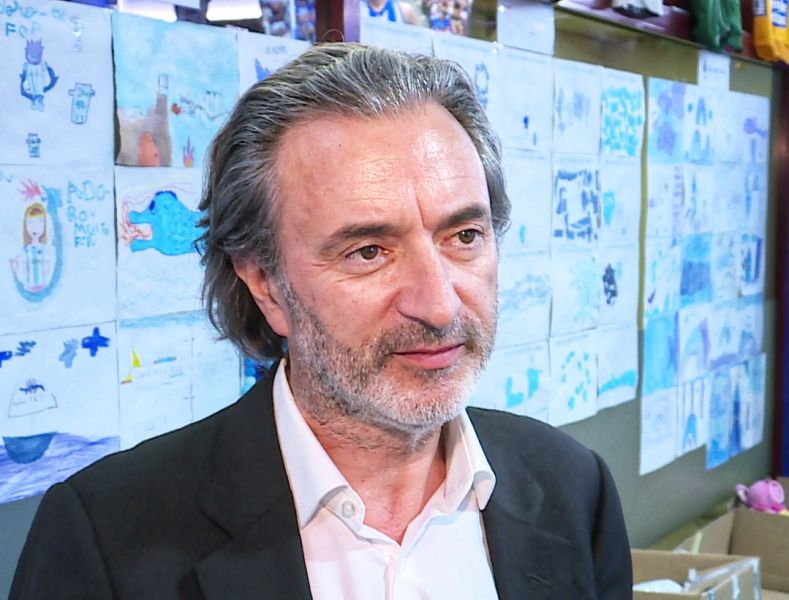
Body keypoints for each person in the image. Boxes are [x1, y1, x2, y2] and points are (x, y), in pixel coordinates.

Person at [11, 44, 632, 599]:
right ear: (264, 283)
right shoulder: (107, 541)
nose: (440, 305)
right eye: (368, 251)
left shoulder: (574, 488)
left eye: (464, 235)